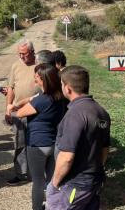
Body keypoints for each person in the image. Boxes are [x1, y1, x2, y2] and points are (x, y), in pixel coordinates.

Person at [47, 66, 111, 210]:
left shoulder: (74, 115)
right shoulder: (101, 112)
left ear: (67, 88)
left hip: (74, 185)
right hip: (94, 182)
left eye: (62, 84)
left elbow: (67, 156)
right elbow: (104, 149)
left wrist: (54, 183)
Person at [13, 64, 67, 210]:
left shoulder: (41, 100)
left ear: (43, 79)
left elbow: (19, 113)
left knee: (37, 181)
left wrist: (19, 104)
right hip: (54, 143)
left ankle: (37, 207)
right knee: (51, 179)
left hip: (37, 144)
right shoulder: (61, 97)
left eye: (36, 76)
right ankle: (52, 206)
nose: (34, 78)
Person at [5, 40, 40, 185]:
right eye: (19, 53)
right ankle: (21, 173)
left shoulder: (40, 65)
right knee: (19, 143)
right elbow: (11, 88)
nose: (21, 57)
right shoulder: (15, 65)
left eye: (24, 54)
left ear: (32, 52)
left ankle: (38, 173)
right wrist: (8, 107)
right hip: (18, 112)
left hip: (37, 111)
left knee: (37, 143)